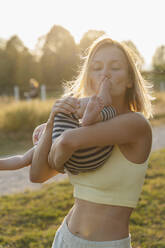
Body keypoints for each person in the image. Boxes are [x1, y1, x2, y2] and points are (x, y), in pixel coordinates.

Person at [30, 35, 153, 248]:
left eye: (115, 67)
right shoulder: (84, 126)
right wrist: (51, 122)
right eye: (97, 68)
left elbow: (67, 142)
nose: (105, 73)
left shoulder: (135, 124)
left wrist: (56, 155)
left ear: (130, 79)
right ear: (89, 77)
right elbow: (37, 175)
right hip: (64, 238)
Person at [0, 85, 116, 173]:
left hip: (85, 160)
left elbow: (20, 161)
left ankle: (95, 115)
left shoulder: (62, 129)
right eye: (37, 137)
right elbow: (20, 160)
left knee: (106, 113)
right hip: (77, 155)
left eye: (39, 130)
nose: (37, 135)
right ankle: (101, 103)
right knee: (69, 108)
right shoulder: (43, 145)